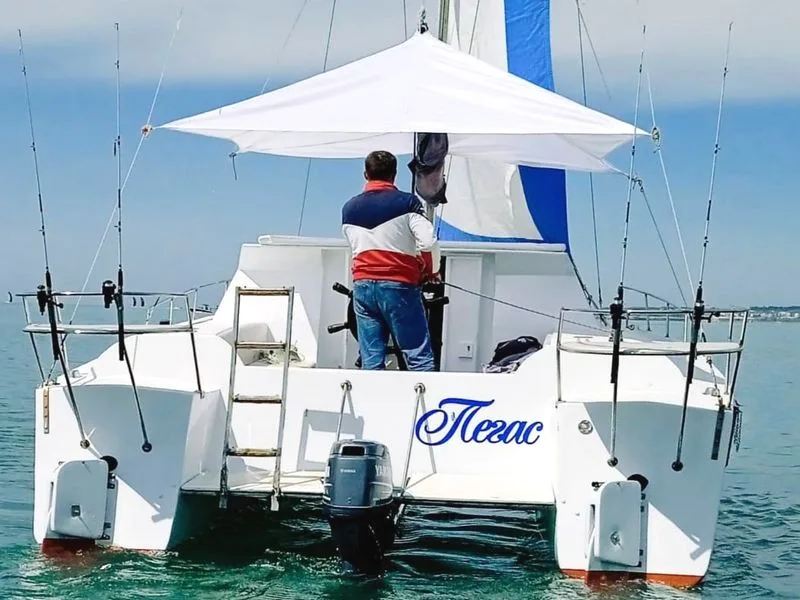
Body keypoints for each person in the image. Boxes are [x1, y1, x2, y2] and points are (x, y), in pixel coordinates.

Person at [341, 150, 439, 371]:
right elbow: (428, 242)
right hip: (399, 287)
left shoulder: (348, 209)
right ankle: (425, 395)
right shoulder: (408, 203)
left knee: (371, 360)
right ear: (394, 174)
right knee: (418, 356)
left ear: (366, 174)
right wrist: (430, 271)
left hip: (362, 287)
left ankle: (372, 393)